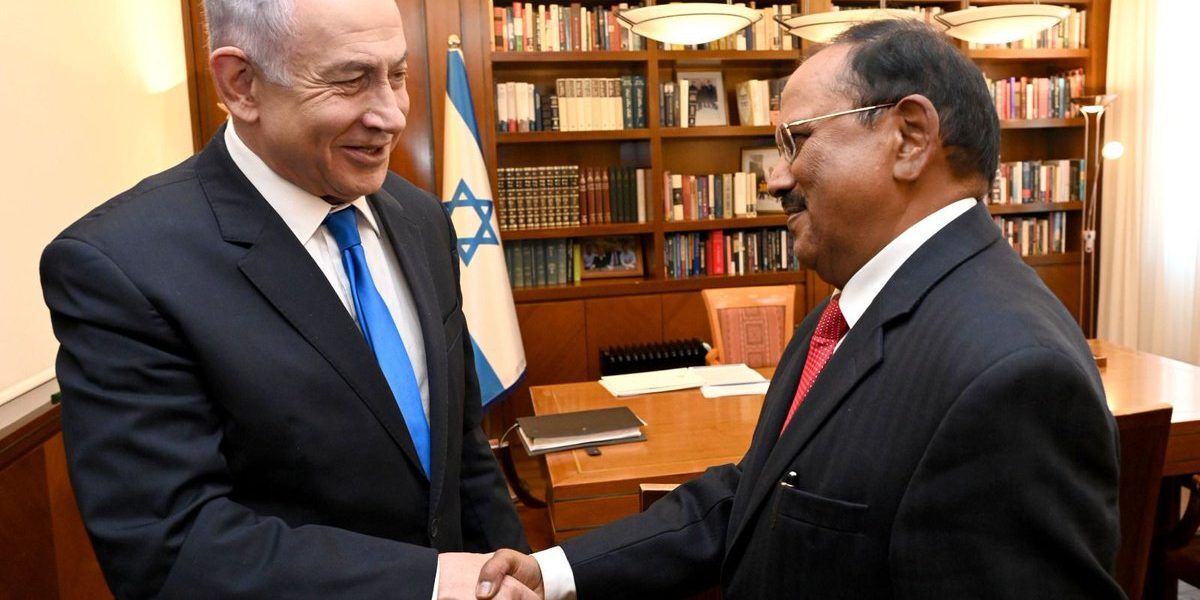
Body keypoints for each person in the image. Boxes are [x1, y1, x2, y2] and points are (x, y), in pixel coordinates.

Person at [474, 19, 1122, 600]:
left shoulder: (1012, 377)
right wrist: (554, 572)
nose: (775, 179)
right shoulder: (841, 312)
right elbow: (757, 491)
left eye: (797, 140)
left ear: (909, 137)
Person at [39, 0, 530, 598]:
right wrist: (427, 581)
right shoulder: (122, 266)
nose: (391, 114)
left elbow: (462, 449)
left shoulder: (421, 218)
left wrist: (515, 571)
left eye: (398, 74)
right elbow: (173, 548)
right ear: (241, 84)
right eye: (351, 80)